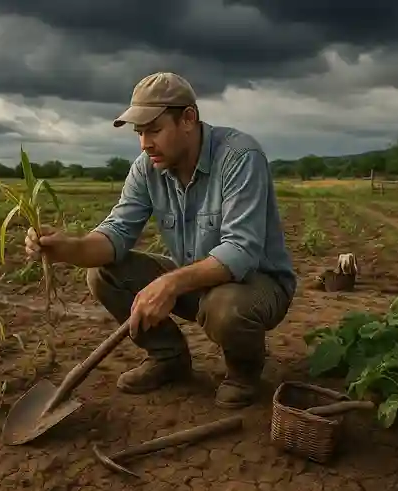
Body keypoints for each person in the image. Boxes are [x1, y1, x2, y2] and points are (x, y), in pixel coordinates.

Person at [24, 72, 296, 409]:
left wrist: (169, 285)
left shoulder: (240, 157)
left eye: (154, 130)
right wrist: (66, 247)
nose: (144, 143)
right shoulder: (146, 168)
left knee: (225, 307)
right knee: (104, 272)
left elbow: (240, 251)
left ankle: (243, 371)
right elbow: (116, 233)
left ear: (188, 119)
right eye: (139, 133)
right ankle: (169, 358)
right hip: (195, 280)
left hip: (258, 285)